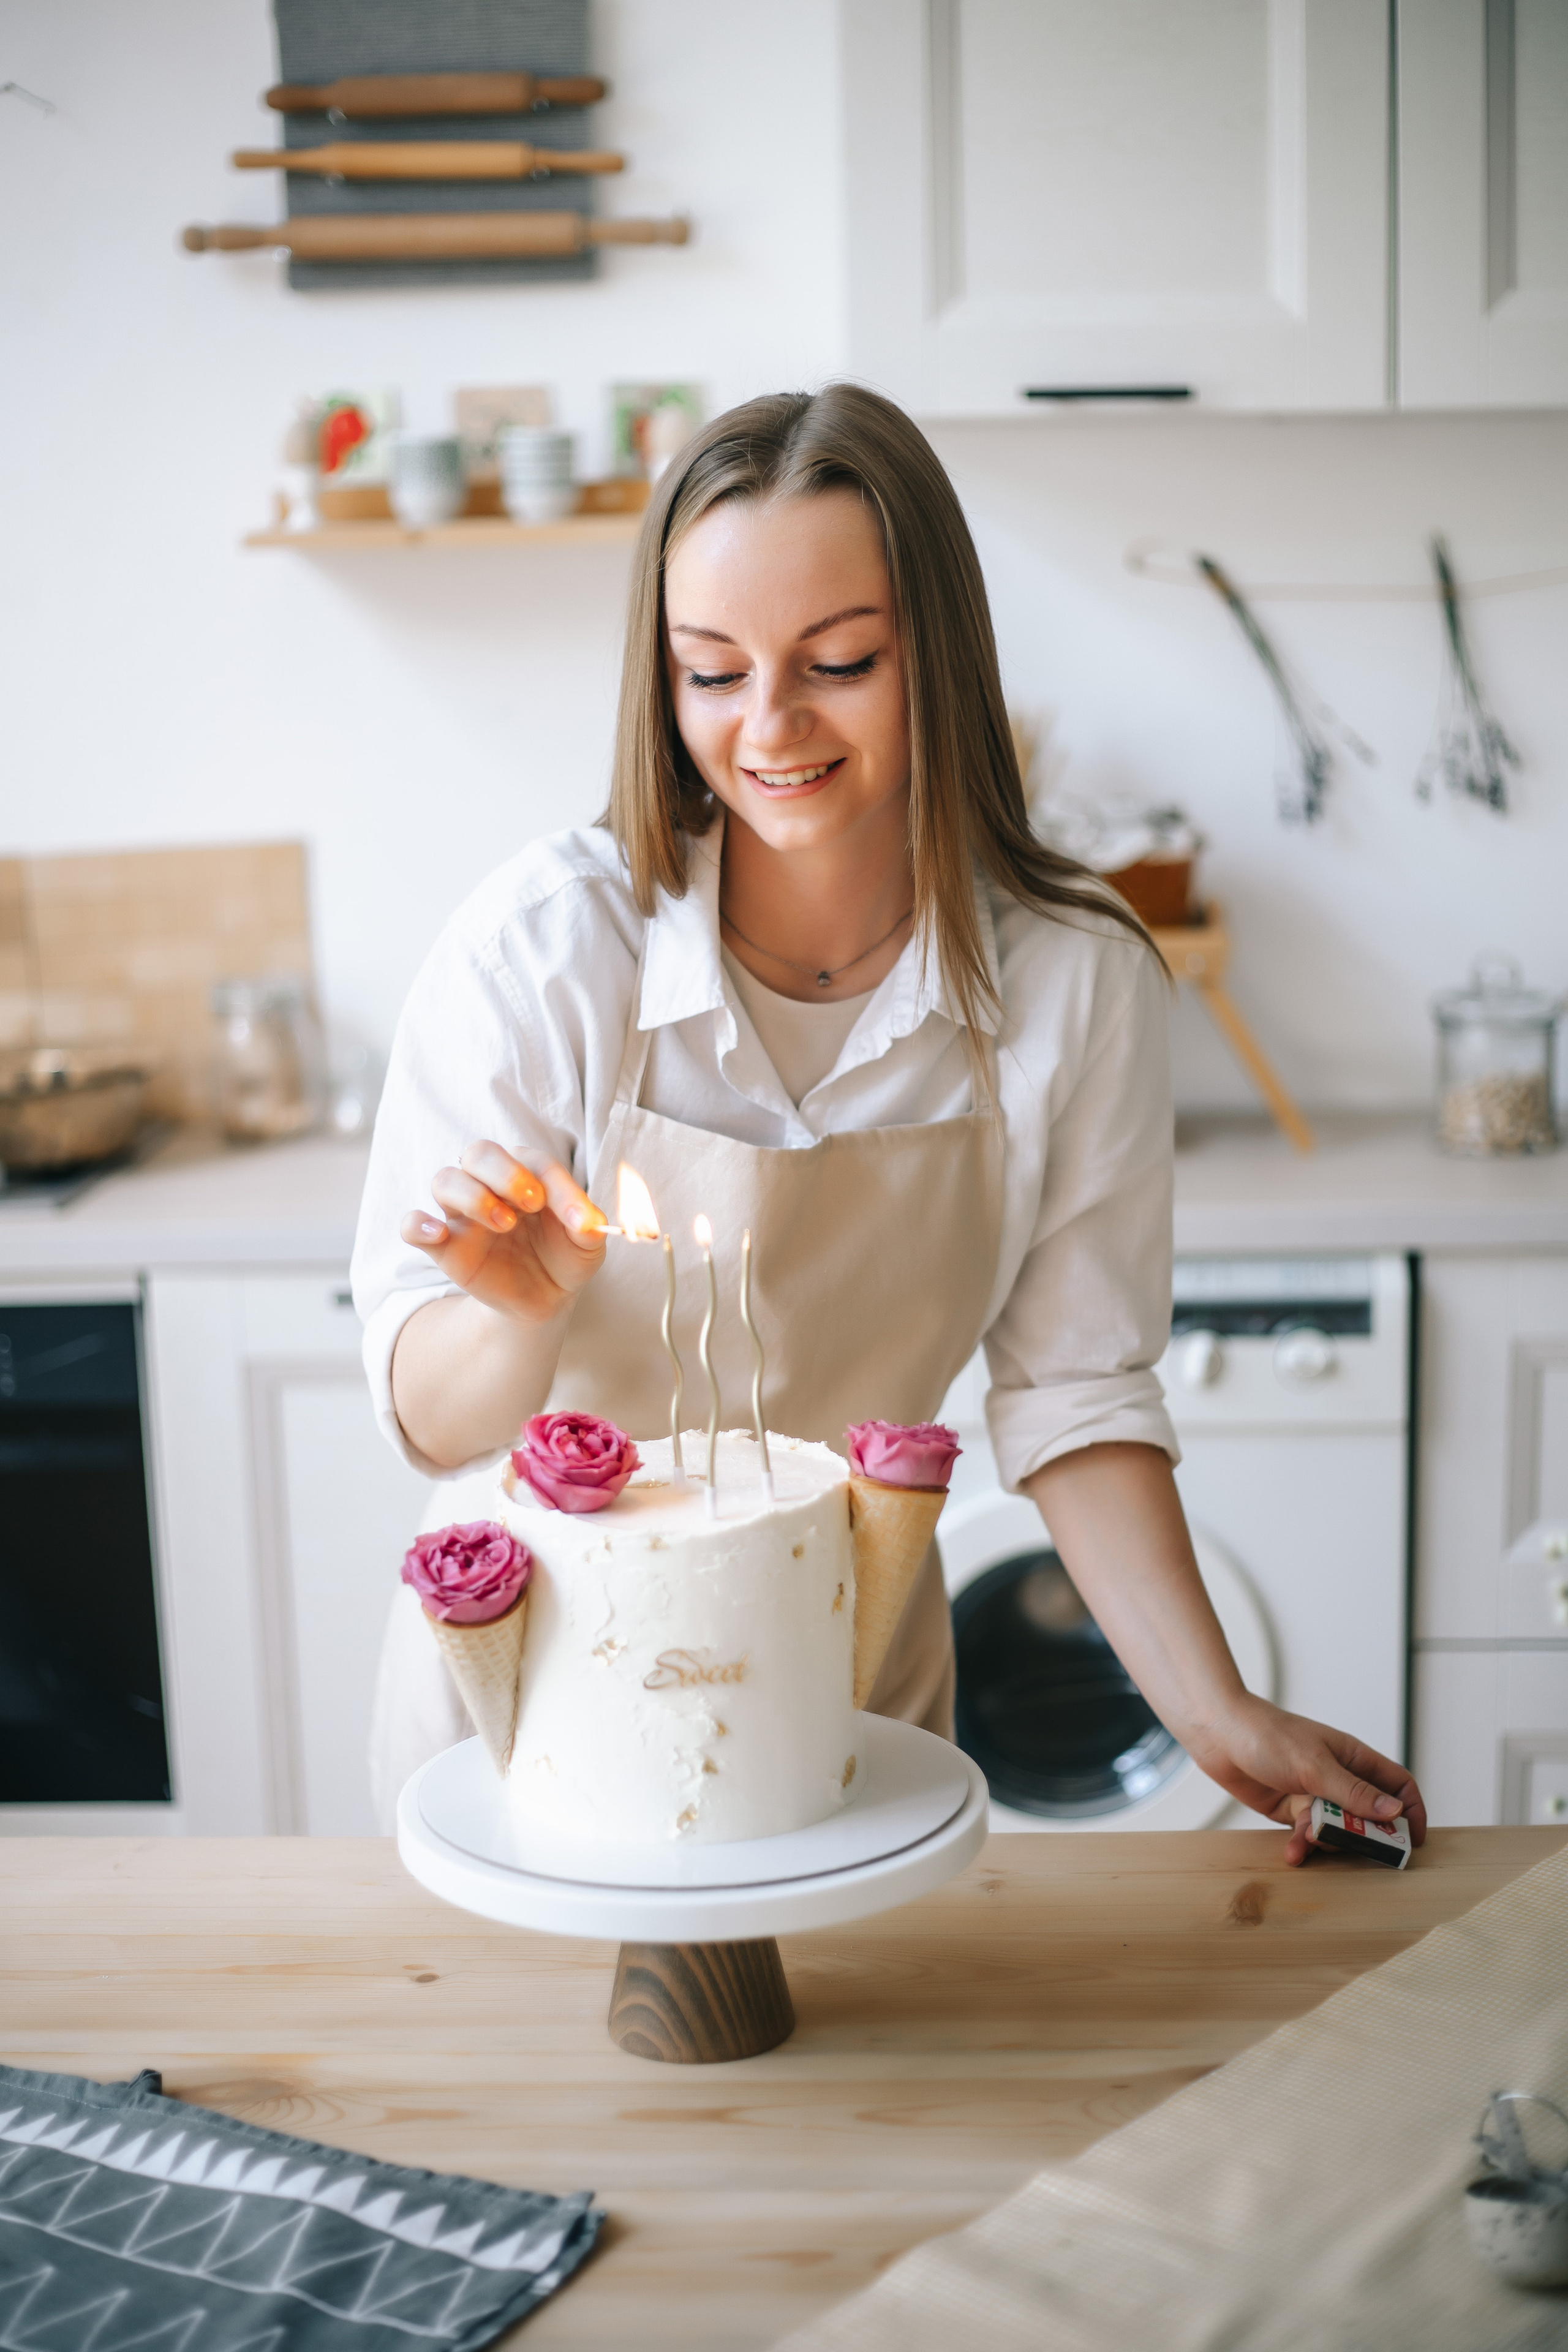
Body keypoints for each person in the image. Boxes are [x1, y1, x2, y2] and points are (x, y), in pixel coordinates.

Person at [352, 384, 1425, 1861]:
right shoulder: (545, 953)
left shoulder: (1074, 980)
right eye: (710, 674)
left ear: (939, 653)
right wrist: (517, 1319)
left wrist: (1210, 1708)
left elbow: (1074, 1395)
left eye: (838, 661)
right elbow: (429, 1416)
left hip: (846, 1712)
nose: (771, 726)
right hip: (526, 1724)